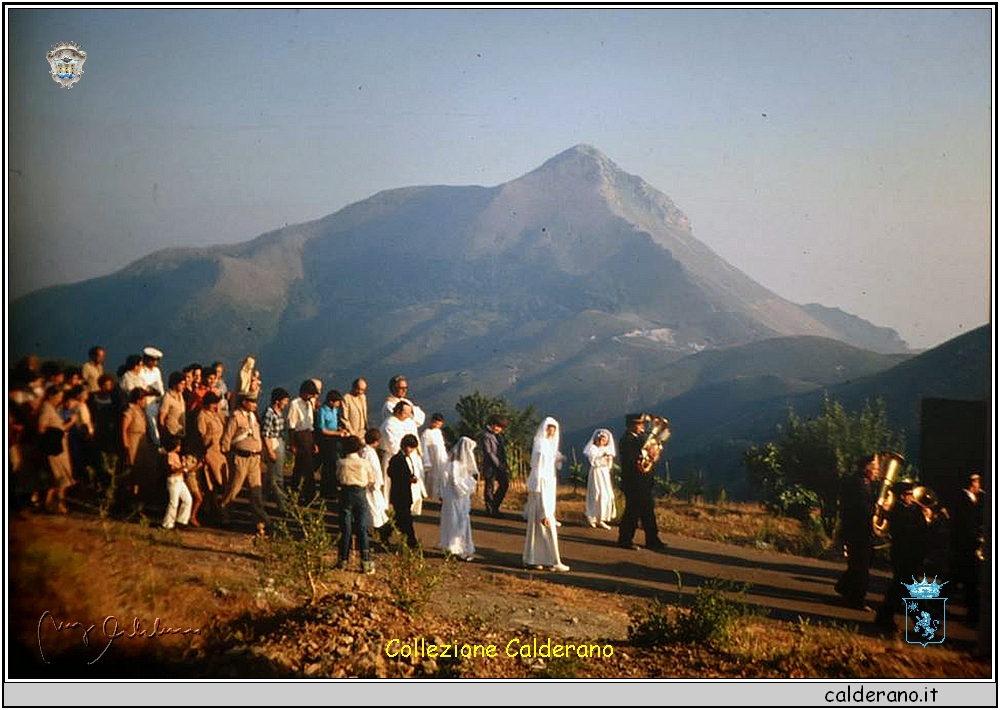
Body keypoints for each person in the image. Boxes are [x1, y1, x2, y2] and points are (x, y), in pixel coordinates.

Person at [874, 479, 930, 630]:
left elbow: (923, 531)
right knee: (908, 590)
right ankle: (923, 623)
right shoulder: (897, 510)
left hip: (912, 555)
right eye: (908, 494)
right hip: (903, 554)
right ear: (901, 496)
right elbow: (906, 532)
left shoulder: (913, 509)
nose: (912, 497)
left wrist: (928, 518)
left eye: (912, 494)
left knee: (900, 590)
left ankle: (884, 617)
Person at [834, 453, 881, 610]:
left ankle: (845, 587)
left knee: (859, 564)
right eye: (875, 468)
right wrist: (879, 508)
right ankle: (856, 599)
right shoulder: (859, 483)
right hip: (858, 531)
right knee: (861, 566)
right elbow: (862, 509)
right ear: (867, 468)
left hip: (858, 531)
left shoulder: (862, 482)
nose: (877, 471)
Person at [523, 417, 570, 572]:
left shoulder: (548, 453)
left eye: (554, 428)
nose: (551, 431)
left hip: (546, 492)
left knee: (541, 529)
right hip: (541, 495)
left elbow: (552, 459)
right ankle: (549, 560)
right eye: (549, 428)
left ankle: (538, 559)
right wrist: (544, 510)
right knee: (543, 526)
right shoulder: (541, 453)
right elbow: (540, 483)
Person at [219, 393, 269, 536]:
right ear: (244, 402)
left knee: (256, 492)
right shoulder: (236, 417)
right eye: (252, 402)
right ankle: (225, 515)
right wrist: (227, 455)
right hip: (240, 457)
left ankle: (259, 522)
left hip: (254, 458)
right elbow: (227, 437)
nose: (255, 405)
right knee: (234, 488)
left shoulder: (254, 417)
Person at [617, 414, 666, 551]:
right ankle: (625, 539)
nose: (643, 427)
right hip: (633, 482)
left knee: (648, 512)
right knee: (632, 512)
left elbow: (648, 457)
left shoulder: (640, 438)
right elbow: (633, 460)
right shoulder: (627, 440)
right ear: (632, 425)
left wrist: (653, 454)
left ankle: (652, 539)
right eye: (640, 424)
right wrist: (647, 454)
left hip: (644, 482)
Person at [336, 435, 376, 574]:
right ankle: (365, 561)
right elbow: (371, 479)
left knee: (345, 527)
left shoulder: (341, 463)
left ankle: (343, 559)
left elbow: (338, 477)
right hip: (360, 493)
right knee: (361, 527)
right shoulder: (364, 463)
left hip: (345, 493)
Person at [951, 471, 985, 624]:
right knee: (970, 581)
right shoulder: (965, 500)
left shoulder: (969, 500)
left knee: (956, 579)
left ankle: (935, 605)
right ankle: (972, 615)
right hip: (965, 546)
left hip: (963, 546)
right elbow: (966, 526)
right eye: (978, 483)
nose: (980, 486)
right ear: (972, 484)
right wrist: (977, 538)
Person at [37, 385, 77, 514]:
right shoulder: (46, 409)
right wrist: (70, 423)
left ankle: (49, 504)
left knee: (59, 478)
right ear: (51, 396)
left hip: (60, 448)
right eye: (58, 397)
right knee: (60, 477)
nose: (59, 400)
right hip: (55, 448)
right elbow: (41, 427)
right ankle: (58, 505)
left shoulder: (52, 409)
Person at [440, 436, 478, 561]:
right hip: (455, 496)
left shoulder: (462, 464)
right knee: (455, 520)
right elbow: (455, 481)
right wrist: (467, 487)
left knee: (461, 520)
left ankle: (460, 547)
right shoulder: (454, 464)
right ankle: (455, 548)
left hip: (461, 496)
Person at [287, 379, 320, 502]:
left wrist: (314, 442)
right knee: (308, 468)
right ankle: (309, 495)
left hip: (308, 435)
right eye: (310, 394)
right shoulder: (295, 404)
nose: (311, 396)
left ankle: (295, 493)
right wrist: (293, 444)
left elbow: (310, 425)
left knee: (299, 468)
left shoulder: (309, 404)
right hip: (299, 436)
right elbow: (291, 425)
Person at [387, 434, 422, 548]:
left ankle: (385, 532)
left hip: (404, 493)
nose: (411, 450)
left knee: (399, 518)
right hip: (400, 494)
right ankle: (411, 542)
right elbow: (393, 474)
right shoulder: (397, 459)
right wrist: (408, 479)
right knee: (405, 519)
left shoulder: (406, 459)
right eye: (410, 447)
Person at [261, 387, 291, 513]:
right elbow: (265, 434)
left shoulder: (278, 413)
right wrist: (270, 451)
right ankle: (282, 504)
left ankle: (261, 500)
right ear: (278, 401)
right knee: (277, 476)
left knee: (270, 476)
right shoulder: (269, 413)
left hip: (279, 442)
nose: (286, 403)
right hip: (273, 444)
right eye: (284, 400)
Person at [583, 428, 617, 529]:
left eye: (604, 440)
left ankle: (601, 518)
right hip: (596, 473)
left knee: (606, 495)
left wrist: (608, 459)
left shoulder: (607, 450)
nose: (602, 441)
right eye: (600, 439)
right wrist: (602, 457)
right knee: (597, 493)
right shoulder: (593, 449)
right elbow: (594, 462)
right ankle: (592, 516)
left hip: (604, 473)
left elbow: (609, 464)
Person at [316, 390, 347, 499]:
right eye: (337, 402)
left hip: (335, 439)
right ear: (331, 402)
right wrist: (337, 433)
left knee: (335, 464)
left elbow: (336, 423)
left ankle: (333, 488)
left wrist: (340, 430)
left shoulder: (335, 410)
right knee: (328, 465)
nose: (339, 404)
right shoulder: (322, 411)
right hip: (326, 440)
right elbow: (322, 429)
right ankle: (326, 490)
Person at [479, 414, 509, 517]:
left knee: (504, 484)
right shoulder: (486, 435)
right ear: (492, 424)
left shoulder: (498, 436)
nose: (499, 429)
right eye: (498, 426)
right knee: (489, 487)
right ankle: (490, 509)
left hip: (500, 464)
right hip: (491, 465)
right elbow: (489, 452)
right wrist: (499, 464)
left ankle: (494, 505)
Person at [161, 434, 193, 530]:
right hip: (174, 480)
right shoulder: (170, 455)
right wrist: (183, 468)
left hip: (180, 479)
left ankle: (182, 521)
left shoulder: (177, 456)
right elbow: (172, 470)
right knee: (173, 502)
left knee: (188, 499)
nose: (180, 446)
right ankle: (168, 523)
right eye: (178, 445)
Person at [361, 428, 389, 534]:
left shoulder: (368, 451)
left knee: (377, 507)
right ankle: (374, 527)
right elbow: (373, 469)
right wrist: (375, 483)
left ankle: (375, 526)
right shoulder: (368, 453)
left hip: (373, 484)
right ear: (376, 441)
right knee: (374, 507)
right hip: (371, 485)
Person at [421, 413, 448, 501]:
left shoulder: (438, 432)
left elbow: (442, 446)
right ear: (432, 422)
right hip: (433, 459)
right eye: (436, 423)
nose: (437, 426)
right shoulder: (426, 434)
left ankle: (442, 496)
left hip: (441, 458)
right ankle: (433, 495)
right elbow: (424, 449)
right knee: (434, 478)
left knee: (443, 477)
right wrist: (426, 462)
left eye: (439, 424)